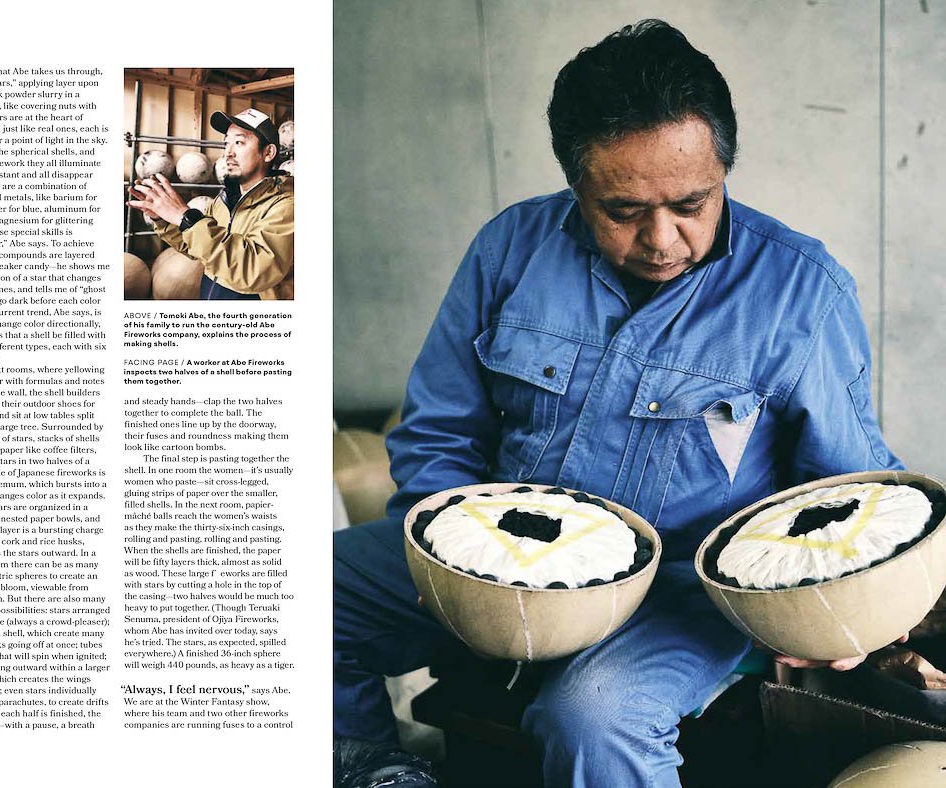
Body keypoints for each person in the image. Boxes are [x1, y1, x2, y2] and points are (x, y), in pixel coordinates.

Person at [333, 19, 905, 788]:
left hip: (681, 593)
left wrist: (850, 608)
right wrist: (467, 568)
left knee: (593, 718)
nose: (663, 238)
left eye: (692, 204)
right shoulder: (510, 248)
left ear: (723, 168)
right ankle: (376, 770)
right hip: (498, 553)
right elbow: (440, 431)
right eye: (624, 211)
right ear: (577, 185)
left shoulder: (801, 292)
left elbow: (849, 489)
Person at [127, 107, 294, 300]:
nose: (228, 153)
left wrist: (186, 217)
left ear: (268, 152)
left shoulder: (287, 206)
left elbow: (254, 270)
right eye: (226, 144)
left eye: (239, 142)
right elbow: (197, 248)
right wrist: (162, 219)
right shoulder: (225, 199)